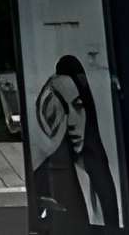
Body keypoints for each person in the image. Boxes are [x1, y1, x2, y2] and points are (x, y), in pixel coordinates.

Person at [29, 54, 120, 231]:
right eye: (61, 108)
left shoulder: (108, 177)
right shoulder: (44, 178)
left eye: (77, 106)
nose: (71, 120)